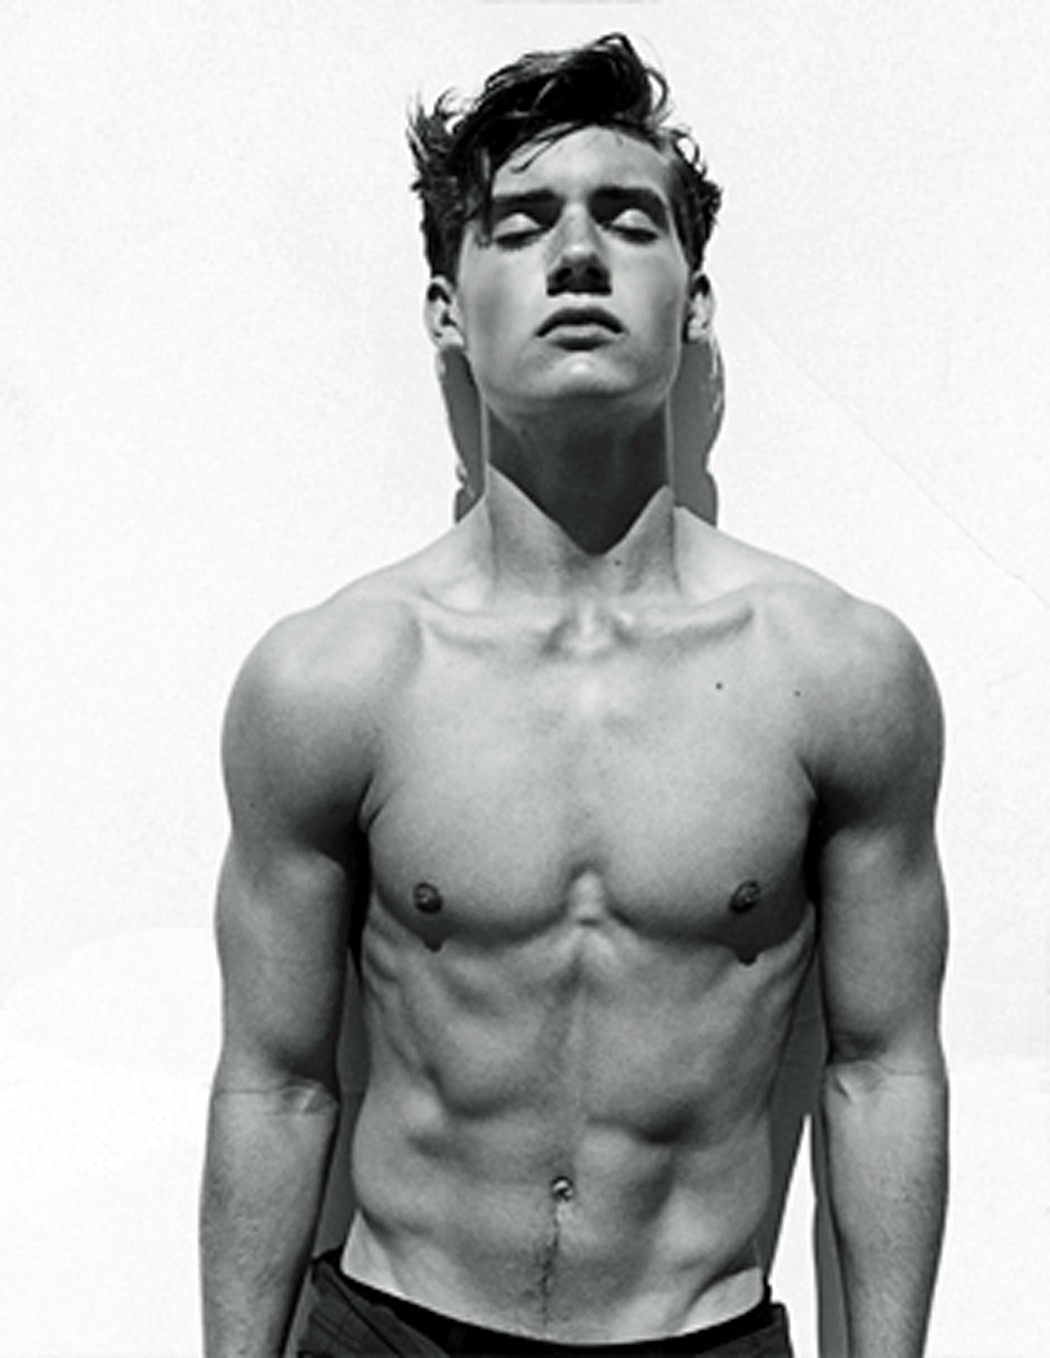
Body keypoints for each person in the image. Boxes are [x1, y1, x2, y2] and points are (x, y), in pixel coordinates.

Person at [200, 34, 948, 1358]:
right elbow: (276, 1084)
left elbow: (881, 1070)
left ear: (693, 300)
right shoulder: (334, 677)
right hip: (397, 1328)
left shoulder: (837, 670)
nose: (580, 255)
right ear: (447, 308)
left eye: (629, 219)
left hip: (700, 1331)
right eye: (521, 223)